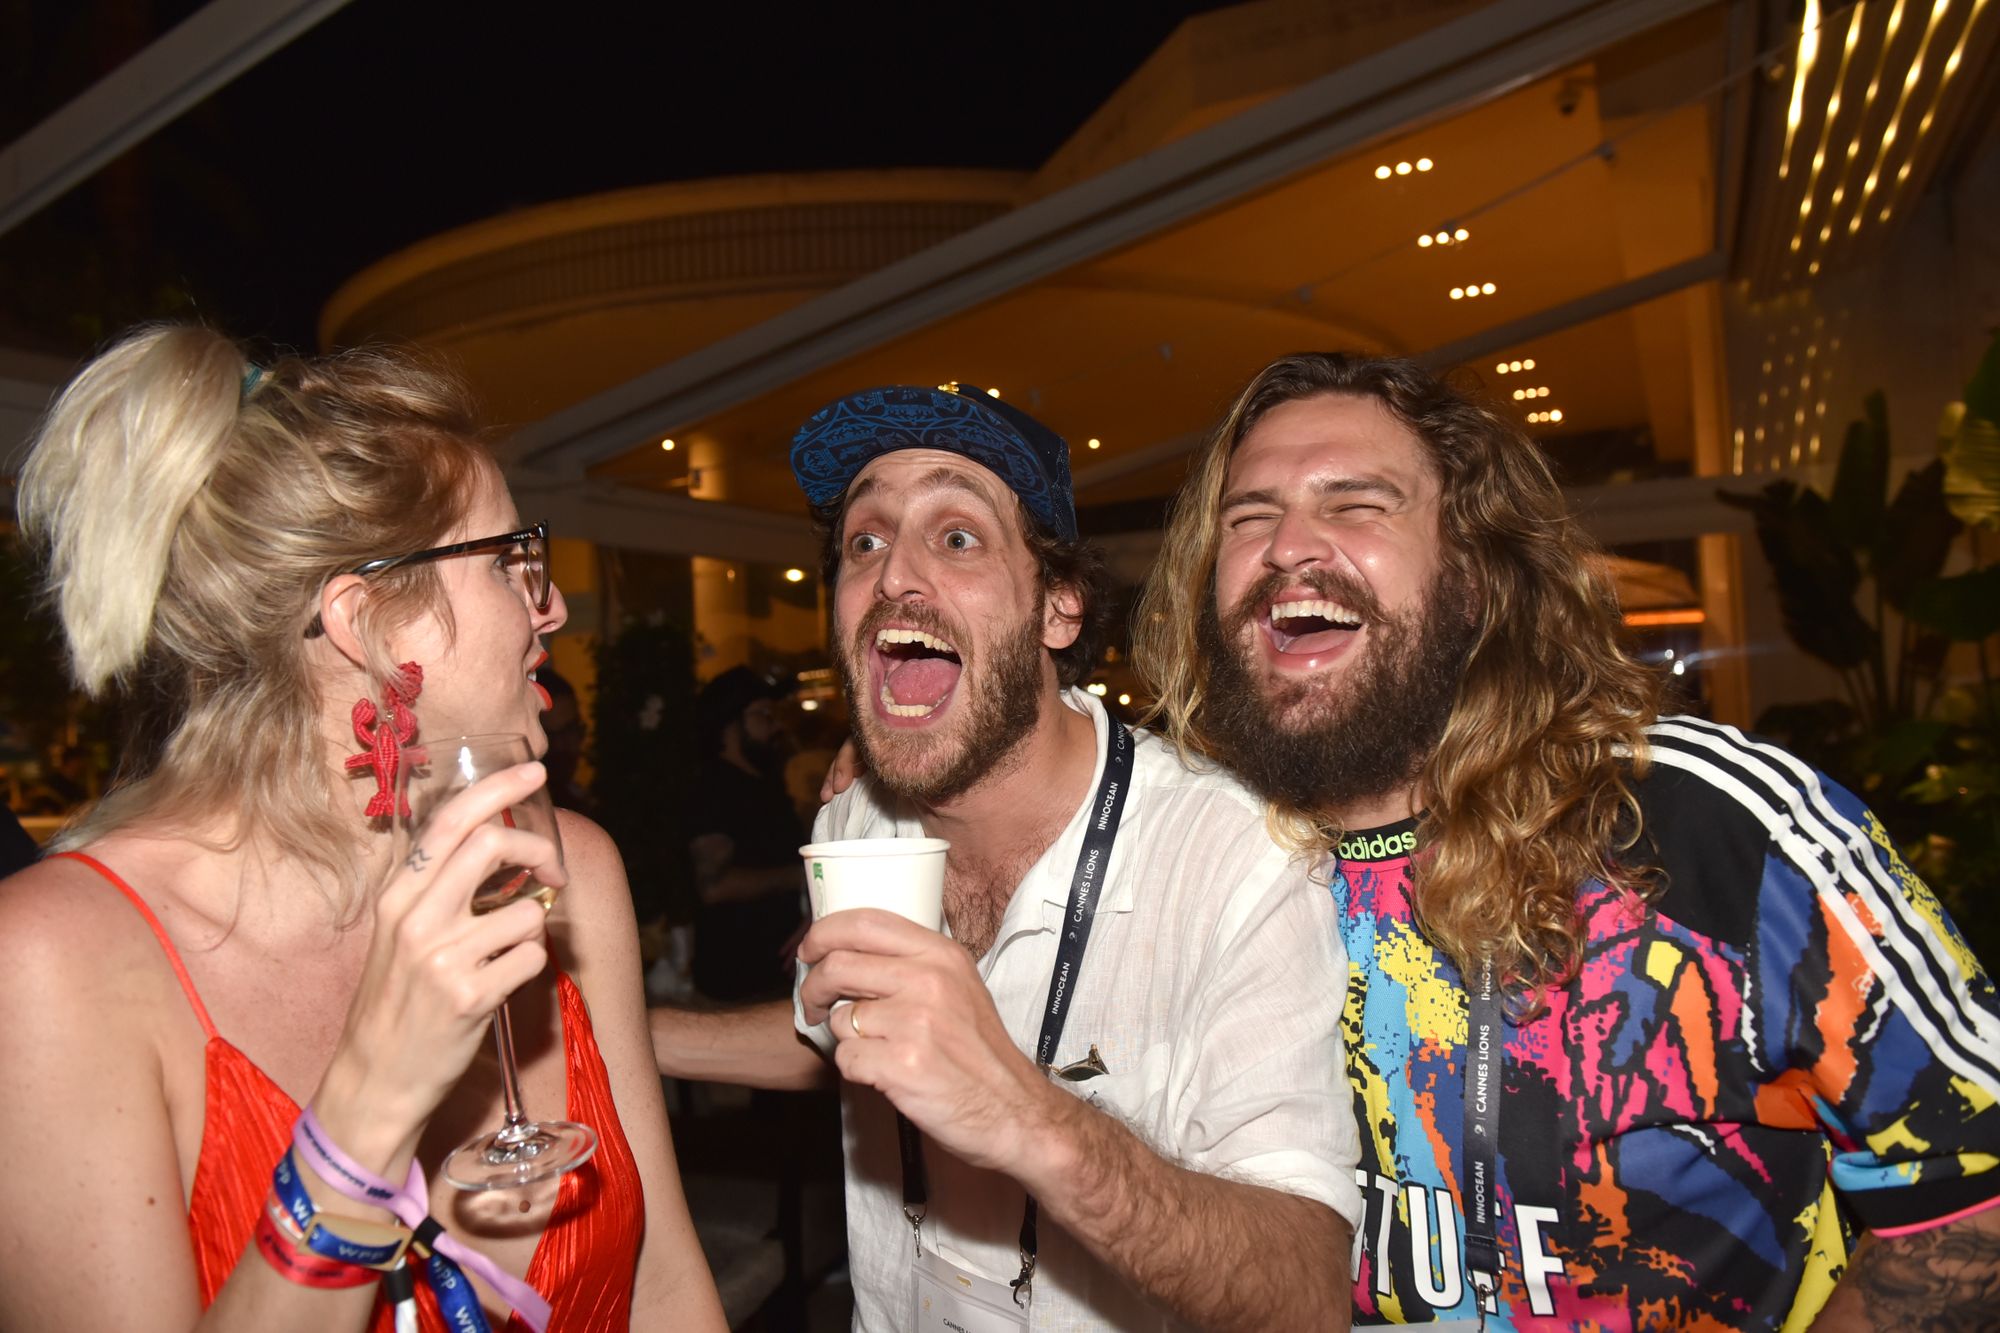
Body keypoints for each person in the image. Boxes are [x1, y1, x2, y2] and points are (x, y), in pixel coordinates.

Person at [1131, 351, 2000, 1330]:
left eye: (1357, 504)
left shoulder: (1696, 817)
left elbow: (1977, 1190)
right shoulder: (1192, 858)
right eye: (1248, 517)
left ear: (1474, 571)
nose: (1289, 545)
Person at [0, 326, 727, 1333]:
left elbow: (666, 1290)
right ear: (367, 622)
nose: (552, 606)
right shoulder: (53, 962)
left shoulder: (566, 869)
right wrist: (370, 1106)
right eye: (509, 561)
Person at [653, 382, 1360, 1330]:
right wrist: (607, 1024)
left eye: (957, 537)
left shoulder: (1230, 857)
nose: (894, 575)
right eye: (864, 541)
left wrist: (1025, 1116)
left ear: (1058, 608)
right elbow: (829, 1034)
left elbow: (1305, 1291)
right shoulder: (855, 824)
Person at [689, 665, 806, 1002]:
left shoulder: (764, 783)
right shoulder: (714, 788)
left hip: (777, 977)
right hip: (738, 984)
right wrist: (799, 876)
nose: (775, 725)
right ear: (731, 723)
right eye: (763, 715)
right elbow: (714, 886)